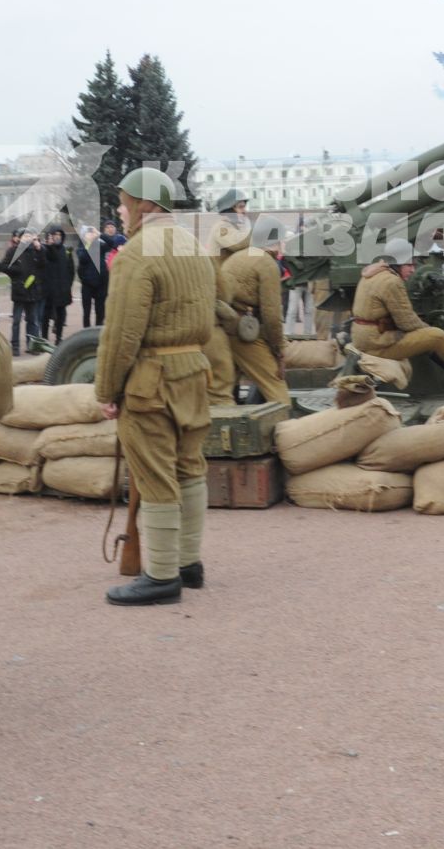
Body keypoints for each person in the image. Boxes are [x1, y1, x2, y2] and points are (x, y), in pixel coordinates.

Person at [94, 168, 217, 605]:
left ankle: (162, 575)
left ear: (145, 205)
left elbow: (121, 334)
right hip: (194, 371)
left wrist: (106, 390)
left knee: (155, 473)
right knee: (189, 466)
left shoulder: (137, 252)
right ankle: (188, 563)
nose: (120, 210)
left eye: (125, 202)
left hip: (152, 378)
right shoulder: (193, 245)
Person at [350, 242, 444, 387]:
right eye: (409, 265)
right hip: (377, 343)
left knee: (427, 338)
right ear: (398, 264)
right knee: (437, 336)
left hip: (366, 338)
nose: (413, 270)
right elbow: (406, 322)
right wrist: (426, 327)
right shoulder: (392, 281)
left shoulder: (374, 274)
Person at [211, 213, 290, 407]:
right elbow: (272, 316)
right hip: (241, 331)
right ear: (275, 242)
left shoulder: (239, 256)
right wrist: (279, 350)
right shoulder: (266, 264)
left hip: (222, 327)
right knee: (275, 385)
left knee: (224, 391)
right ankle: (289, 432)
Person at [0, 230, 42, 354]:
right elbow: (3, 266)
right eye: (25, 236)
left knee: (32, 320)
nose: (28, 238)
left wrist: (39, 249)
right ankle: (15, 347)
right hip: (19, 290)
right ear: (19, 238)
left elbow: (43, 264)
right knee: (17, 321)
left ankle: (33, 346)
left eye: (29, 236)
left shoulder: (35, 250)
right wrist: (17, 270)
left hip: (33, 290)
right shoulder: (12, 251)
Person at [39, 226, 74, 343]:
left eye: (59, 235)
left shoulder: (66, 250)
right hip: (48, 289)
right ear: (50, 236)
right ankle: (44, 338)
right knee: (45, 315)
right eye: (55, 235)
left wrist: (68, 284)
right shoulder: (45, 249)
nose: (57, 237)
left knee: (61, 315)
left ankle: (58, 338)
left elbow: (71, 270)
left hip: (62, 289)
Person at [74, 228, 109, 328]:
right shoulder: (81, 247)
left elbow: (110, 243)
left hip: (101, 283)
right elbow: (83, 257)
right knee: (87, 311)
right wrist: (88, 243)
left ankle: (98, 330)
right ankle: (86, 331)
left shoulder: (100, 245)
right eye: (88, 234)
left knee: (100, 310)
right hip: (87, 284)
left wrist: (99, 234)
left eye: (91, 233)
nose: (90, 235)